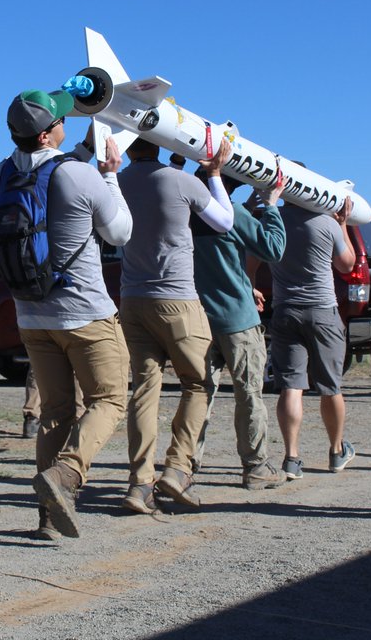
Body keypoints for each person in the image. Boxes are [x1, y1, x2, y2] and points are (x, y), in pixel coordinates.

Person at [0, 89, 133, 540]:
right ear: (51, 131)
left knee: (55, 410)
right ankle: (67, 476)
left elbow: (48, 172)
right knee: (110, 398)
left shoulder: (1, 174)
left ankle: (49, 518)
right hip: (84, 311)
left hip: (32, 314)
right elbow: (120, 232)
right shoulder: (81, 175)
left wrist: (84, 154)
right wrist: (110, 175)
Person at [117, 138, 235, 513]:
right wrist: (214, 174)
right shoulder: (182, 182)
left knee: (144, 390)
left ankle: (139, 483)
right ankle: (178, 469)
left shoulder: (117, 182)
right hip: (178, 299)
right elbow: (224, 221)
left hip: (133, 301)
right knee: (198, 383)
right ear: (164, 142)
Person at [192, 171, 288, 490]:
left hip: (197, 320)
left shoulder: (184, 212)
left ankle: (185, 465)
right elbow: (272, 248)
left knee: (199, 394)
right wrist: (271, 206)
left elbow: (220, 253)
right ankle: (256, 467)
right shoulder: (234, 213)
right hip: (237, 320)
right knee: (248, 394)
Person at [269, 194, 358, 480]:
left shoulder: (274, 220)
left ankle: (292, 458)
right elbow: (347, 264)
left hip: (285, 310)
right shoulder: (326, 223)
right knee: (330, 386)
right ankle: (336, 451)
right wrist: (342, 225)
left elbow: (254, 258)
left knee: (291, 386)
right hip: (322, 311)